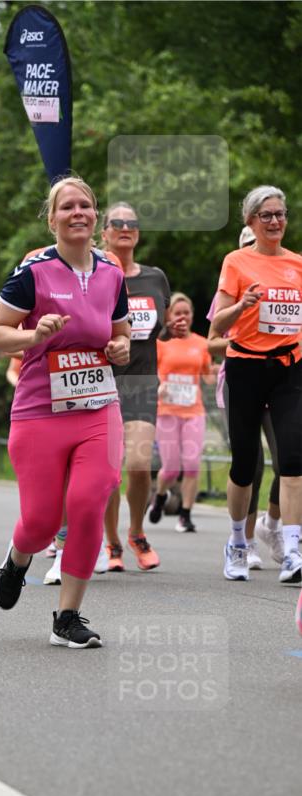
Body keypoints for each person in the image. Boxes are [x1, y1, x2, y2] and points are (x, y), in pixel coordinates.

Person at [0, 176, 130, 649]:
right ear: (53, 219)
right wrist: (32, 337)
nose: (78, 213)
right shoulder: (33, 273)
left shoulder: (112, 274)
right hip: (40, 411)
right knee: (42, 520)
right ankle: (19, 558)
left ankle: (68, 615)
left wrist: (120, 346)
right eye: (67, 207)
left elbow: (121, 330)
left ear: (96, 216)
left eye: (85, 205)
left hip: (97, 408)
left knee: (89, 502)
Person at [211, 185, 302, 584]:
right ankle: (236, 542)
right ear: (251, 220)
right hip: (245, 367)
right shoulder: (236, 261)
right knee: (245, 463)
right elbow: (216, 326)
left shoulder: (298, 264)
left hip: (290, 368)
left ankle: (294, 552)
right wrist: (241, 305)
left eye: (280, 214)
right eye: (266, 215)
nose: (275, 221)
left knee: (294, 459)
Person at [100, 202, 171, 571]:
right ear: (105, 233)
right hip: (102, 382)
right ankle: (112, 543)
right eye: (118, 223)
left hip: (143, 381)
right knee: (110, 470)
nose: (125, 228)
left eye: (132, 223)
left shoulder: (156, 277)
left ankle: (136, 531)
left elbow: (163, 324)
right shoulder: (96, 274)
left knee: (140, 463)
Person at [208, 225, 282, 569]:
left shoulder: (285, 284)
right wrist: (247, 343)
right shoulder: (231, 286)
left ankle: (273, 525)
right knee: (249, 463)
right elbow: (212, 342)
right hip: (239, 381)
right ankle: (245, 540)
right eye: (250, 245)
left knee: (289, 461)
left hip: (279, 380)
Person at [148, 293, 213, 532]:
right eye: (177, 313)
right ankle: (161, 495)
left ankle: (185, 514)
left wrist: (222, 370)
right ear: (169, 316)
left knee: (192, 464)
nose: (182, 317)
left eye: (186, 313)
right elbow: (149, 370)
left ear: (193, 316)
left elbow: (207, 376)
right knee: (172, 467)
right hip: (167, 410)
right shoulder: (161, 343)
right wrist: (159, 384)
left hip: (193, 411)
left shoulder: (201, 343)